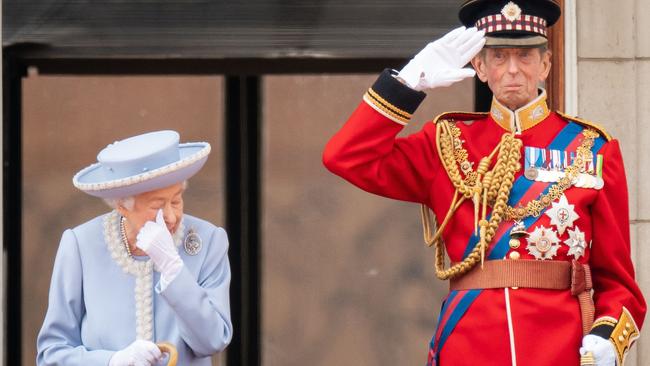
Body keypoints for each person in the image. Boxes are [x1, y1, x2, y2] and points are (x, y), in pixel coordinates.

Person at [323, 1, 645, 365]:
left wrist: (606, 336)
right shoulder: (445, 144)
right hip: (468, 346)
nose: (512, 70)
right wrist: (407, 83)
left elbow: (619, 283)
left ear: (546, 65)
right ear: (479, 66)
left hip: (560, 349)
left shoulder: (591, 148)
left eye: (525, 56)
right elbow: (345, 157)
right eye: (498, 57)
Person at [36, 130, 233, 365]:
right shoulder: (81, 245)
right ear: (122, 205)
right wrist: (113, 361)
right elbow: (52, 353)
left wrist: (173, 269)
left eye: (176, 200)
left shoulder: (208, 241)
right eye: (157, 206)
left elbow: (213, 340)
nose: (171, 216)